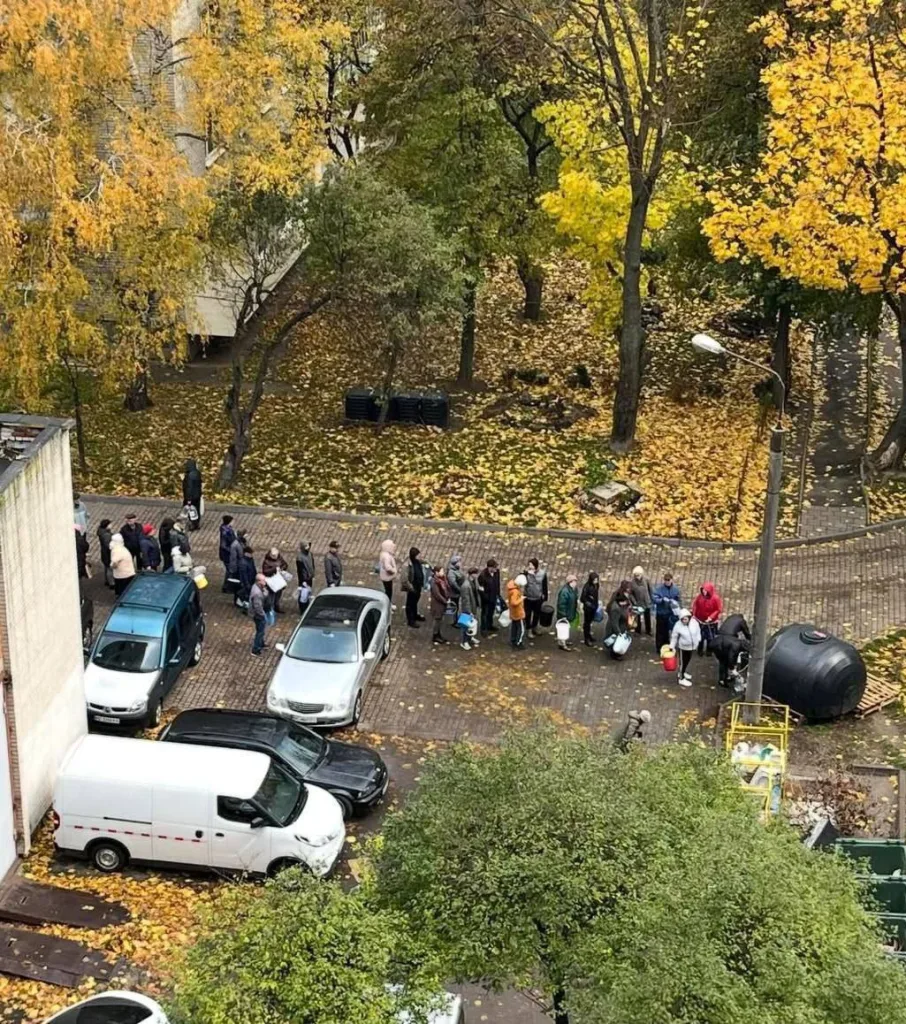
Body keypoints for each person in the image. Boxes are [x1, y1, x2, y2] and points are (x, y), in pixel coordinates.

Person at [712, 613, 752, 688]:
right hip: (726, 641)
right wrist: (732, 668)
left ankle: (723, 678)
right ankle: (725, 679)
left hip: (719, 639)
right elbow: (746, 633)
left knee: (723, 661)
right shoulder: (741, 621)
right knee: (726, 661)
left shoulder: (731, 618)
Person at [670, 609, 701, 687]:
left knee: (687, 661)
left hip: (692, 647)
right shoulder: (678, 625)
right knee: (682, 663)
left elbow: (698, 631)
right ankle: (681, 678)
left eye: (686, 619)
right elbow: (674, 637)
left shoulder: (694, 623)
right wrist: (672, 646)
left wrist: (698, 639)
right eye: (682, 619)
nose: (684, 621)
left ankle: (683, 672)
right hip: (682, 647)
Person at [691, 581, 723, 656]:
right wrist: (694, 614)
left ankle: (709, 651)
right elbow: (695, 605)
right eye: (703, 590)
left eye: (705, 591)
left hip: (711, 622)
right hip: (700, 620)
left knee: (710, 637)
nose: (704, 592)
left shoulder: (715, 599)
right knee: (700, 637)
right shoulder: (700, 597)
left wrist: (711, 617)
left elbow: (718, 609)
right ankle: (700, 650)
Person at [653, 571, 681, 651]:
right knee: (660, 631)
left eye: (669, 580)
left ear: (672, 580)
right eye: (666, 580)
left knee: (669, 630)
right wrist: (662, 600)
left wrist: (676, 604)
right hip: (661, 613)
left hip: (671, 613)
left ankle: (667, 645)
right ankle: (659, 647)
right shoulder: (659, 589)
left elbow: (679, 599)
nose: (667, 581)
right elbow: (654, 599)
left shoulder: (675, 589)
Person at [604, 581, 633, 650]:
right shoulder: (616, 609)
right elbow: (615, 624)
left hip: (621, 625)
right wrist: (619, 633)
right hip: (616, 629)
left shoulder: (619, 602)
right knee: (615, 644)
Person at [458, 567, 481, 650]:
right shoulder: (466, 586)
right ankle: (464, 642)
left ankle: (470, 638)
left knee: (472, 625)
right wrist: (468, 611)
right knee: (466, 625)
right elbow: (466, 600)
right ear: (472, 574)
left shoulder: (474, 581)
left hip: (473, 605)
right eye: (476, 574)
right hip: (468, 609)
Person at [477, 559, 501, 638]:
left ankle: (490, 625)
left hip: (493, 597)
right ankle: (483, 629)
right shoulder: (482, 576)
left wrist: (498, 594)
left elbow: (497, 583)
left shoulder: (497, 572)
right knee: (485, 613)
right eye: (494, 568)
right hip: (486, 599)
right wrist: (486, 598)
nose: (496, 569)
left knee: (491, 612)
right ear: (490, 568)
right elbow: (481, 590)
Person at [523, 559, 547, 638]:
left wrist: (545, 596)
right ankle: (529, 629)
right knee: (528, 614)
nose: (530, 567)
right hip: (528, 598)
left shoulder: (542, 574)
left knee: (537, 614)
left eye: (532, 565)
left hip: (538, 598)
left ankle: (534, 627)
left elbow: (544, 585)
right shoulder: (526, 573)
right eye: (529, 565)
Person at [404, 547, 426, 628]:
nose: (420, 556)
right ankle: (411, 620)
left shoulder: (417, 562)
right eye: (418, 555)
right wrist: (411, 588)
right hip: (412, 587)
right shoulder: (407, 565)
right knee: (410, 603)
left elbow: (423, 562)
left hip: (418, 585)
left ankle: (415, 614)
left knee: (415, 602)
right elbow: (404, 579)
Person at [555, 575, 579, 651]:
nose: (575, 583)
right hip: (565, 614)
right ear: (570, 582)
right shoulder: (565, 592)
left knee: (565, 629)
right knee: (563, 629)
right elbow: (561, 605)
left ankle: (563, 642)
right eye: (574, 581)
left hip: (569, 612)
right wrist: (563, 615)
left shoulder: (573, 589)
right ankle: (562, 644)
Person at [262, 547, 289, 614]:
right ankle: (270, 609)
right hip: (271, 581)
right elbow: (265, 571)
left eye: (276, 555)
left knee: (278, 595)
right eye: (274, 555)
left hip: (279, 580)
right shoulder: (266, 561)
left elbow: (285, 564)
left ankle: (276, 607)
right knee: (271, 596)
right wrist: (274, 569)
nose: (275, 557)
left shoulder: (279, 558)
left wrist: (281, 569)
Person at [629, 566, 653, 637]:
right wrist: (634, 602)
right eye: (636, 575)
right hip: (638, 602)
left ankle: (648, 630)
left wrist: (651, 599)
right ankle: (637, 630)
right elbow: (630, 594)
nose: (637, 577)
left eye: (638, 575)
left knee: (647, 616)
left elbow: (650, 590)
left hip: (646, 601)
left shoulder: (646, 580)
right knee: (637, 617)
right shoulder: (632, 582)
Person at [429, 565, 450, 645]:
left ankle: (438, 634)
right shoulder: (434, 582)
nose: (443, 573)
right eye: (441, 571)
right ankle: (435, 635)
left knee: (440, 620)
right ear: (436, 572)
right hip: (437, 605)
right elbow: (437, 594)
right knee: (437, 620)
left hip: (441, 604)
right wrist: (445, 601)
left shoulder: (442, 580)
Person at [249, 574, 269, 657]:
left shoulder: (257, 587)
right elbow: (258, 607)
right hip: (258, 615)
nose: (265, 582)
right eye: (263, 580)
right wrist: (263, 615)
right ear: (258, 581)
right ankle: (256, 649)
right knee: (260, 631)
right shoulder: (257, 593)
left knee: (260, 629)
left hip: (256, 613)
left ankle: (261, 643)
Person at [506, 574, 527, 650]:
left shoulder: (511, 588)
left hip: (513, 612)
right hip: (518, 612)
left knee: (514, 627)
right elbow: (514, 602)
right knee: (521, 629)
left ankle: (513, 639)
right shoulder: (515, 591)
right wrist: (521, 599)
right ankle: (518, 642)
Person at [580, 572, 600, 647]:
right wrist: (589, 603)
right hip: (588, 608)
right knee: (587, 623)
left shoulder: (596, 585)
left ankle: (589, 636)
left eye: (597, 580)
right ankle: (586, 639)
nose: (596, 581)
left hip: (593, 607)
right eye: (594, 580)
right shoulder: (587, 587)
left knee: (590, 621)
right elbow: (582, 598)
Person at [182, 459, 203, 529]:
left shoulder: (189, 476)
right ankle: (197, 523)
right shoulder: (197, 473)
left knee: (190, 510)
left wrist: (188, 499)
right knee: (197, 509)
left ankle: (192, 524)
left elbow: (189, 488)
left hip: (191, 496)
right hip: (197, 496)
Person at [219, 516, 237, 591]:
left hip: (226, 554)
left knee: (229, 570)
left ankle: (228, 585)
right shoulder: (226, 532)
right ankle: (226, 586)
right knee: (230, 570)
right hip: (227, 555)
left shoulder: (226, 530)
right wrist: (231, 550)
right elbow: (224, 545)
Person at [237, 544, 257, 609]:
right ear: (246, 553)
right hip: (247, 582)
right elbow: (244, 575)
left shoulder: (250, 560)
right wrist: (247, 584)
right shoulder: (243, 563)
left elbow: (253, 569)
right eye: (250, 553)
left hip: (251, 580)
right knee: (246, 594)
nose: (252, 555)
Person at [379, 539, 398, 604]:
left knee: (388, 590)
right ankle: (387, 603)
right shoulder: (387, 556)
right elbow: (388, 567)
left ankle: (387, 603)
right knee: (389, 592)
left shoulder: (383, 554)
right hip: (387, 577)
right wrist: (394, 571)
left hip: (385, 576)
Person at [97, 518, 114, 588]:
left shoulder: (101, 531)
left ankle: (107, 581)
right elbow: (108, 545)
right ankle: (112, 583)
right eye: (110, 524)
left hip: (104, 553)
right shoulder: (106, 535)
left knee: (106, 567)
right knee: (109, 568)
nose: (111, 525)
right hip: (107, 554)